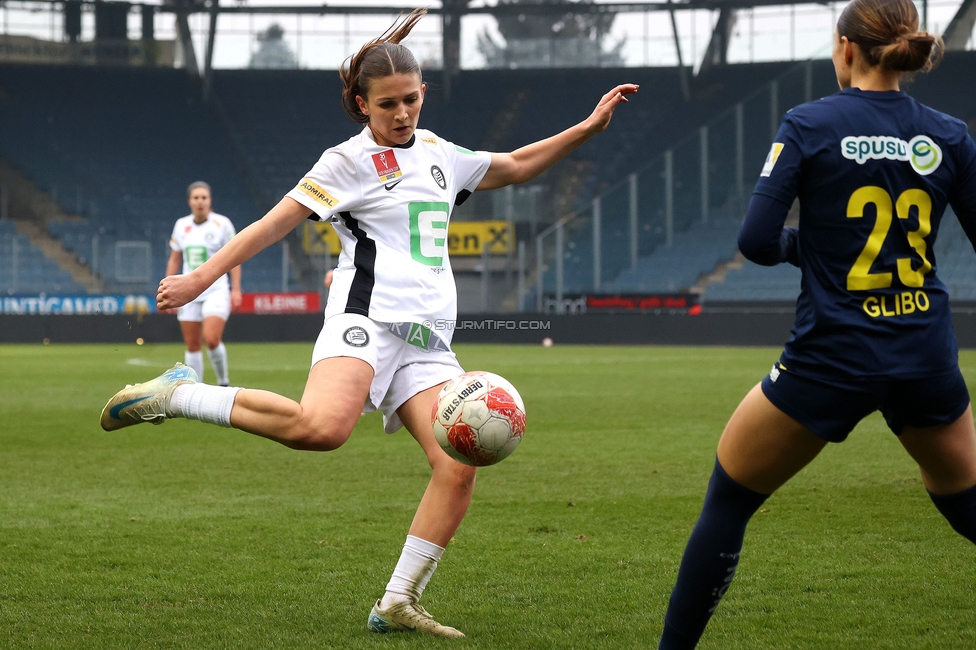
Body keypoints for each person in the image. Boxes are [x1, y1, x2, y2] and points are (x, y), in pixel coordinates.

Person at [100, 8, 637, 638]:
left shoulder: (440, 154)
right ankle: (176, 393)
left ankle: (398, 601)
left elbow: (516, 166)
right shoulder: (344, 163)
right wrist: (199, 278)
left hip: (428, 342)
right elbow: (269, 226)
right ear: (361, 104)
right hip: (366, 320)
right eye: (388, 105)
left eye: (411, 99)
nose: (403, 114)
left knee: (458, 463)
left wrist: (589, 127)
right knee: (322, 430)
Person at [657, 0, 976, 647]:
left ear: (846, 48)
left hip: (832, 356)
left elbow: (755, 238)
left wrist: (814, 247)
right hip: (924, 351)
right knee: (966, 500)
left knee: (729, 501)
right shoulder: (948, 134)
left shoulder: (810, 123)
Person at [166, 181, 242, 386]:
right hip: (188, 290)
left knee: (211, 338)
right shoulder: (181, 225)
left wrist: (236, 288)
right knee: (191, 344)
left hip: (216, 289)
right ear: (189, 201)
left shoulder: (222, 224)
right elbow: (175, 258)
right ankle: (195, 389)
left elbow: (235, 256)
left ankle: (223, 382)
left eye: (204, 197)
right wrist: (167, 288)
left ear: (210, 200)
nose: (200, 201)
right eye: (196, 198)